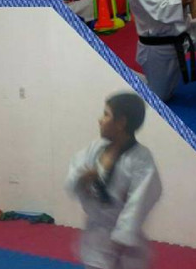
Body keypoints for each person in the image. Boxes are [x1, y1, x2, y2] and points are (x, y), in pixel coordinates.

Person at [66, 92, 161, 269]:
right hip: (96, 239)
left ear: (121, 122)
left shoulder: (141, 160)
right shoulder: (96, 148)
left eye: (106, 114)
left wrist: (122, 236)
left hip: (125, 245)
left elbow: (140, 201)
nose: (100, 120)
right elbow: (75, 174)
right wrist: (82, 180)